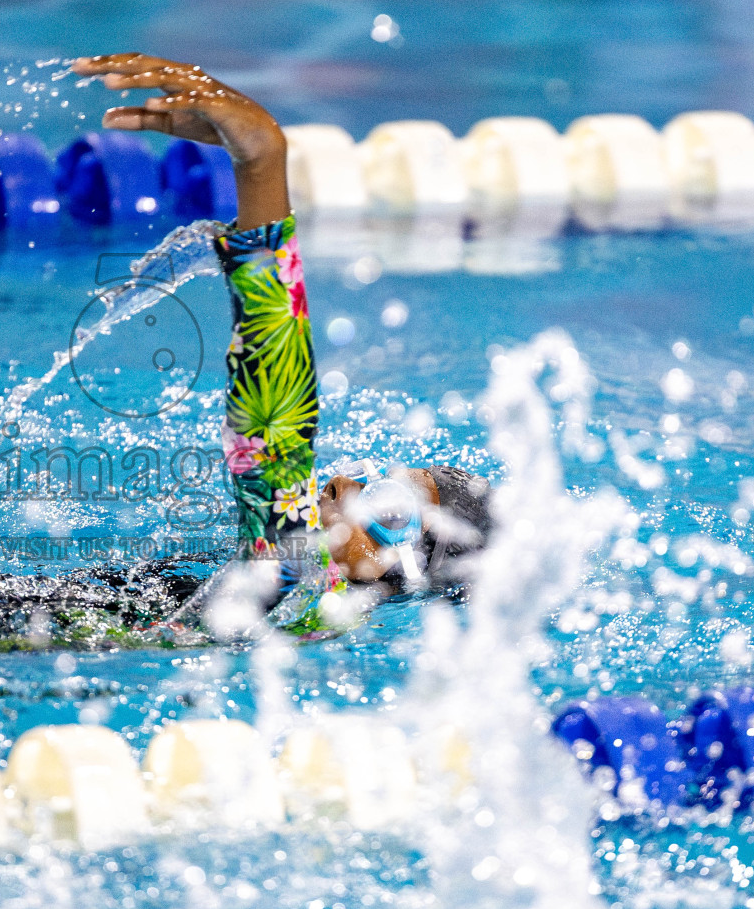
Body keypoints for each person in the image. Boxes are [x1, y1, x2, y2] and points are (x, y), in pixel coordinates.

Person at [71, 53, 492, 634]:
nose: (342, 484)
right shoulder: (254, 589)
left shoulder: (293, 579)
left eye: (389, 508)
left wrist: (262, 163)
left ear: (397, 571)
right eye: (371, 481)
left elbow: (276, 415)